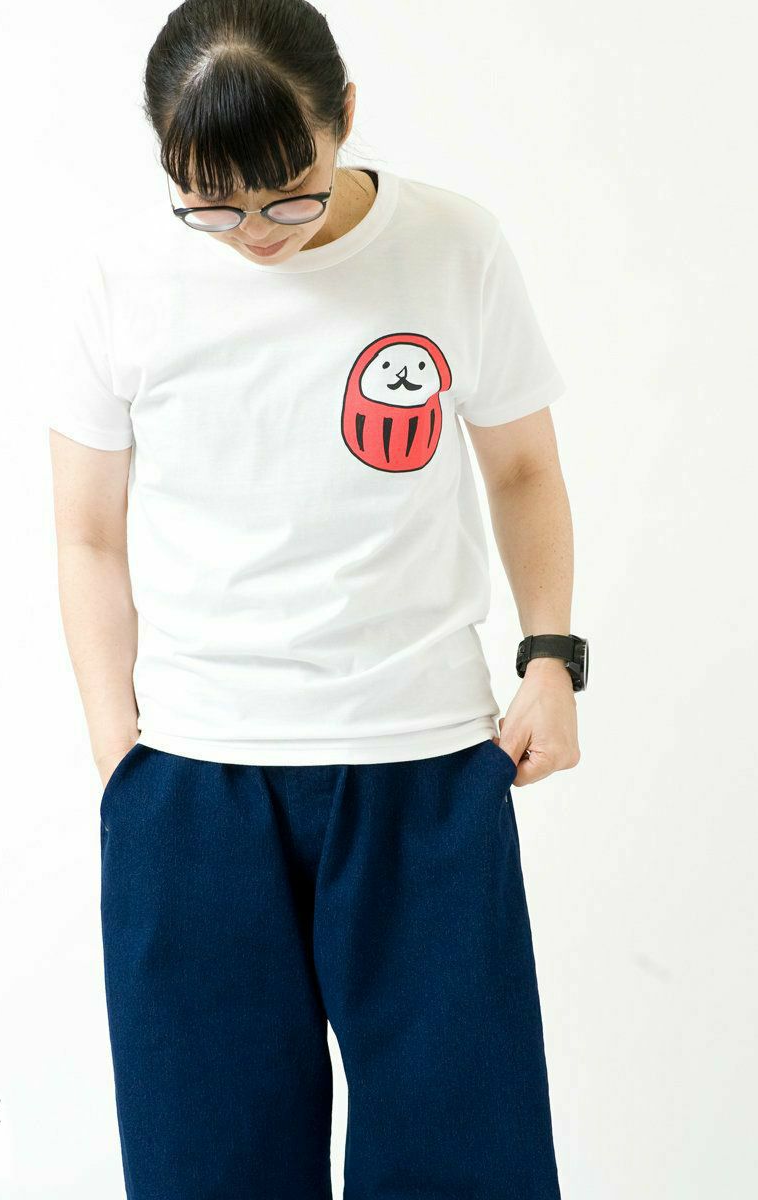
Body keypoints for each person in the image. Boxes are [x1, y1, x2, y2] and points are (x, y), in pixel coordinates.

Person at [50, 2, 586, 1196]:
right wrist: (119, 752)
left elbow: (522, 469)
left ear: (344, 115)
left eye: (288, 196)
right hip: (193, 782)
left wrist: (550, 657)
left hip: (423, 764)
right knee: (208, 1167)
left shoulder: (452, 245)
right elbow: (86, 530)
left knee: (464, 1163)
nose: (254, 234)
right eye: (212, 203)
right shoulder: (127, 276)